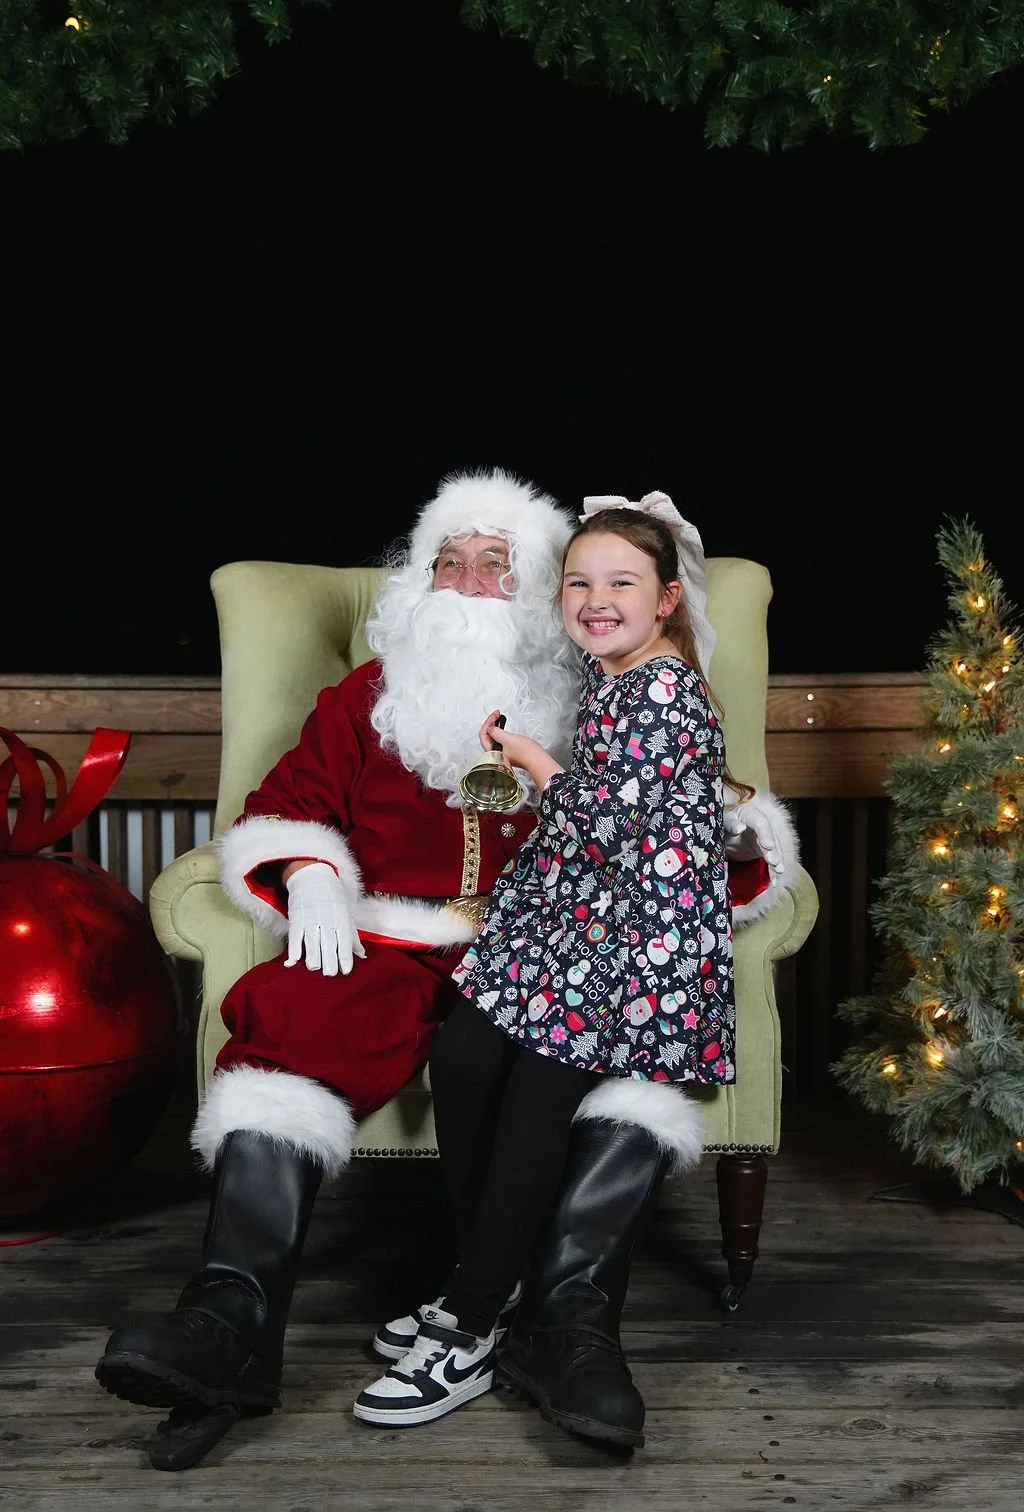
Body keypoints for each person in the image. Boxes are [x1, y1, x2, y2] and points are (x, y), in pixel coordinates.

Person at [94, 471, 797, 1469]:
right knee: (289, 1013)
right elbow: (287, 801)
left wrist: (722, 834)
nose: (467, 582)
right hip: (392, 941)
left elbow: (705, 819)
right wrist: (308, 876)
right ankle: (228, 1326)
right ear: (416, 582)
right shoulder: (366, 697)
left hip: (552, 949)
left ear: (538, 589)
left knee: (629, 1057)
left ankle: (564, 1325)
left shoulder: (599, 689)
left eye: (495, 563)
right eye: (448, 562)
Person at [352, 492, 767, 1438]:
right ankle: (485, 1284)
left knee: (537, 1098)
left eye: (621, 582)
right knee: (463, 1058)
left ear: (666, 599)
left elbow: (619, 830)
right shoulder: (612, 678)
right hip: (568, 930)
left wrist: (538, 764)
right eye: (578, 581)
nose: (594, 598)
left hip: (629, 949)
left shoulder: (660, 689)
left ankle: (464, 1327)